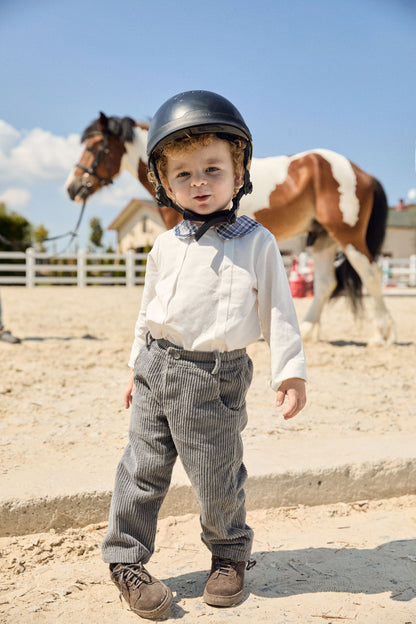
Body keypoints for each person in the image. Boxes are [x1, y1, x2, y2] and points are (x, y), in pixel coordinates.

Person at [101, 90, 307, 620]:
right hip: (154, 368)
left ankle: (228, 557)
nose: (198, 182)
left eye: (212, 169)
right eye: (183, 174)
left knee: (217, 474)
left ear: (238, 173)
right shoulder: (166, 244)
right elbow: (149, 311)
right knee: (140, 471)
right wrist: (133, 368)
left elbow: (279, 311)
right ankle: (127, 562)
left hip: (213, 376)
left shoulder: (256, 241)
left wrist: (290, 373)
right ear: (164, 184)